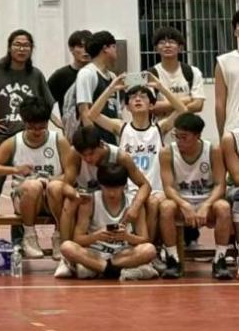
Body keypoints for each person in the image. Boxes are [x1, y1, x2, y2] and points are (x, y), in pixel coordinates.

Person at [83, 73, 186, 235]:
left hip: (156, 190)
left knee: (152, 203)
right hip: (128, 190)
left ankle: (147, 245)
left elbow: (183, 110)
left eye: (143, 96)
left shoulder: (159, 128)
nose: (138, 99)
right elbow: (92, 115)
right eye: (132, 97)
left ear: (151, 105)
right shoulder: (121, 127)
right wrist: (111, 88)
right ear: (127, 107)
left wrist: (160, 87)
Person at [56, 125, 152, 278]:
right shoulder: (74, 154)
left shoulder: (121, 157)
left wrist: (135, 206)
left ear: (101, 144)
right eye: (83, 155)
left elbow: (145, 185)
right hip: (88, 201)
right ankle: (67, 260)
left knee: (149, 247)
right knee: (68, 203)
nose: (88, 159)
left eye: (91, 154)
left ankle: (99, 267)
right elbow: (65, 185)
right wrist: (77, 196)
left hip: (121, 245)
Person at [0, 99, 71, 258]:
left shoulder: (59, 141)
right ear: (24, 123)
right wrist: (15, 169)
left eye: (41, 127)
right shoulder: (14, 142)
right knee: (32, 186)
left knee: (56, 186)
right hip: (25, 198)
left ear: (47, 123)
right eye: (32, 127)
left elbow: (70, 175)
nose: (37, 132)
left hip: (52, 197)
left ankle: (59, 237)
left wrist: (51, 180)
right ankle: (29, 237)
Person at [0, 30, 55, 215]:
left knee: (25, 187)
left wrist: (50, 128)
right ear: (9, 47)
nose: (22, 49)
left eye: (26, 45)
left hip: (27, 139)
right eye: (17, 44)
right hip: (1, 137)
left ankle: (20, 230)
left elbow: (47, 104)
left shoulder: (36, 75)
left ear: (32, 49)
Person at [158, 113, 231, 280]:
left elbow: (220, 185)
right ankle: (173, 260)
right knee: (166, 207)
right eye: (176, 136)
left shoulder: (213, 150)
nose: (179, 141)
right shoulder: (167, 152)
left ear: (197, 135)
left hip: (207, 200)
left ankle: (220, 260)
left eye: (184, 137)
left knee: (224, 207)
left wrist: (206, 205)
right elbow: (168, 187)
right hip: (181, 202)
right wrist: (184, 204)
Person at [58, 164, 158, 281]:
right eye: (107, 188)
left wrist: (127, 236)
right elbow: (77, 239)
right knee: (66, 247)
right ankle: (116, 271)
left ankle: (99, 268)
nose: (112, 193)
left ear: (124, 186)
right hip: (96, 253)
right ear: (100, 185)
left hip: (123, 254)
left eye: (116, 189)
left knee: (150, 250)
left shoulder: (134, 203)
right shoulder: (90, 202)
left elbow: (144, 239)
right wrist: (96, 236)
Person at [67, 31, 121, 144]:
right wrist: (95, 143)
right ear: (105, 48)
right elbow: (85, 112)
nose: (116, 51)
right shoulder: (87, 73)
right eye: (114, 47)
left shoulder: (112, 76)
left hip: (111, 141)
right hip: (96, 143)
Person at [147, 27, 205, 117]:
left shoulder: (193, 72)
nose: (167, 45)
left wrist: (168, 109)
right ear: (156, 49)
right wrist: (187, 100)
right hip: (161, 125)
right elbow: (152, 107)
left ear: (180, 48)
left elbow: (198, 105)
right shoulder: (150, 75)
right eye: (162, 42)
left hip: (187, 125)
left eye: (171, 42)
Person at [47, 30, 91, 106]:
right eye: (81, 46)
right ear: (71, 49)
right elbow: (44, 102)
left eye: (88, 46)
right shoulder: (61, 75)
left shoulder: (98, 74)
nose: (85, 50)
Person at [216, 10, 239, 135]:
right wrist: (221, 135)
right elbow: (220, 103)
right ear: (235, 31)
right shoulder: (224, 61)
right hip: (234, 129)